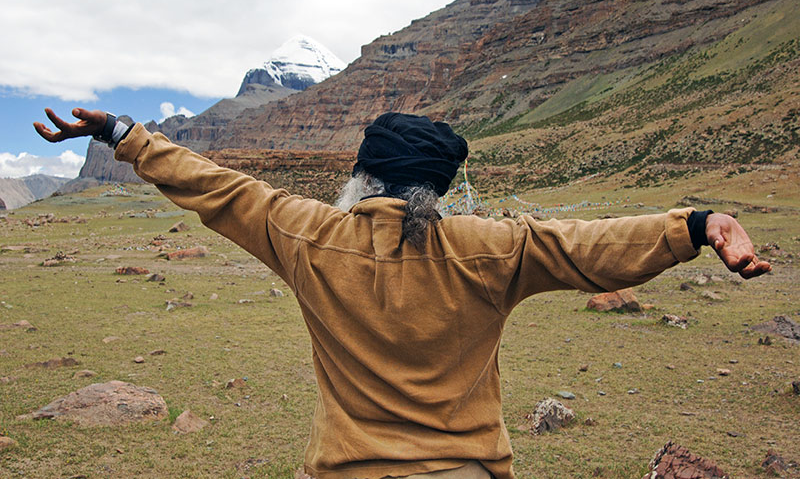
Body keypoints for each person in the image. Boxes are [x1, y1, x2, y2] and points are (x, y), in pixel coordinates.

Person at [35, 108, 770, 479]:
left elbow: (218, 187)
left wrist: (124, 133)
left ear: (362, 176)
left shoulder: (308, 235)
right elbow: (596, 247)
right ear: (442, 188)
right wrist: (700, 224)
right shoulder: (494, 246)